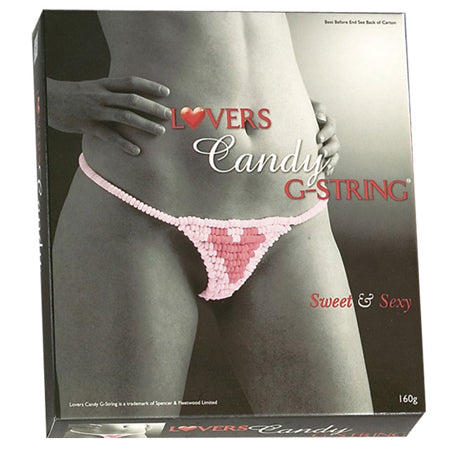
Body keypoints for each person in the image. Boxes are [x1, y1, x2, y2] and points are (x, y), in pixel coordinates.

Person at [49, 11, 373, 417]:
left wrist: (292, 106)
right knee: (118, 439)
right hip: (139, 212)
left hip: (294, 220)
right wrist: (46, 98)